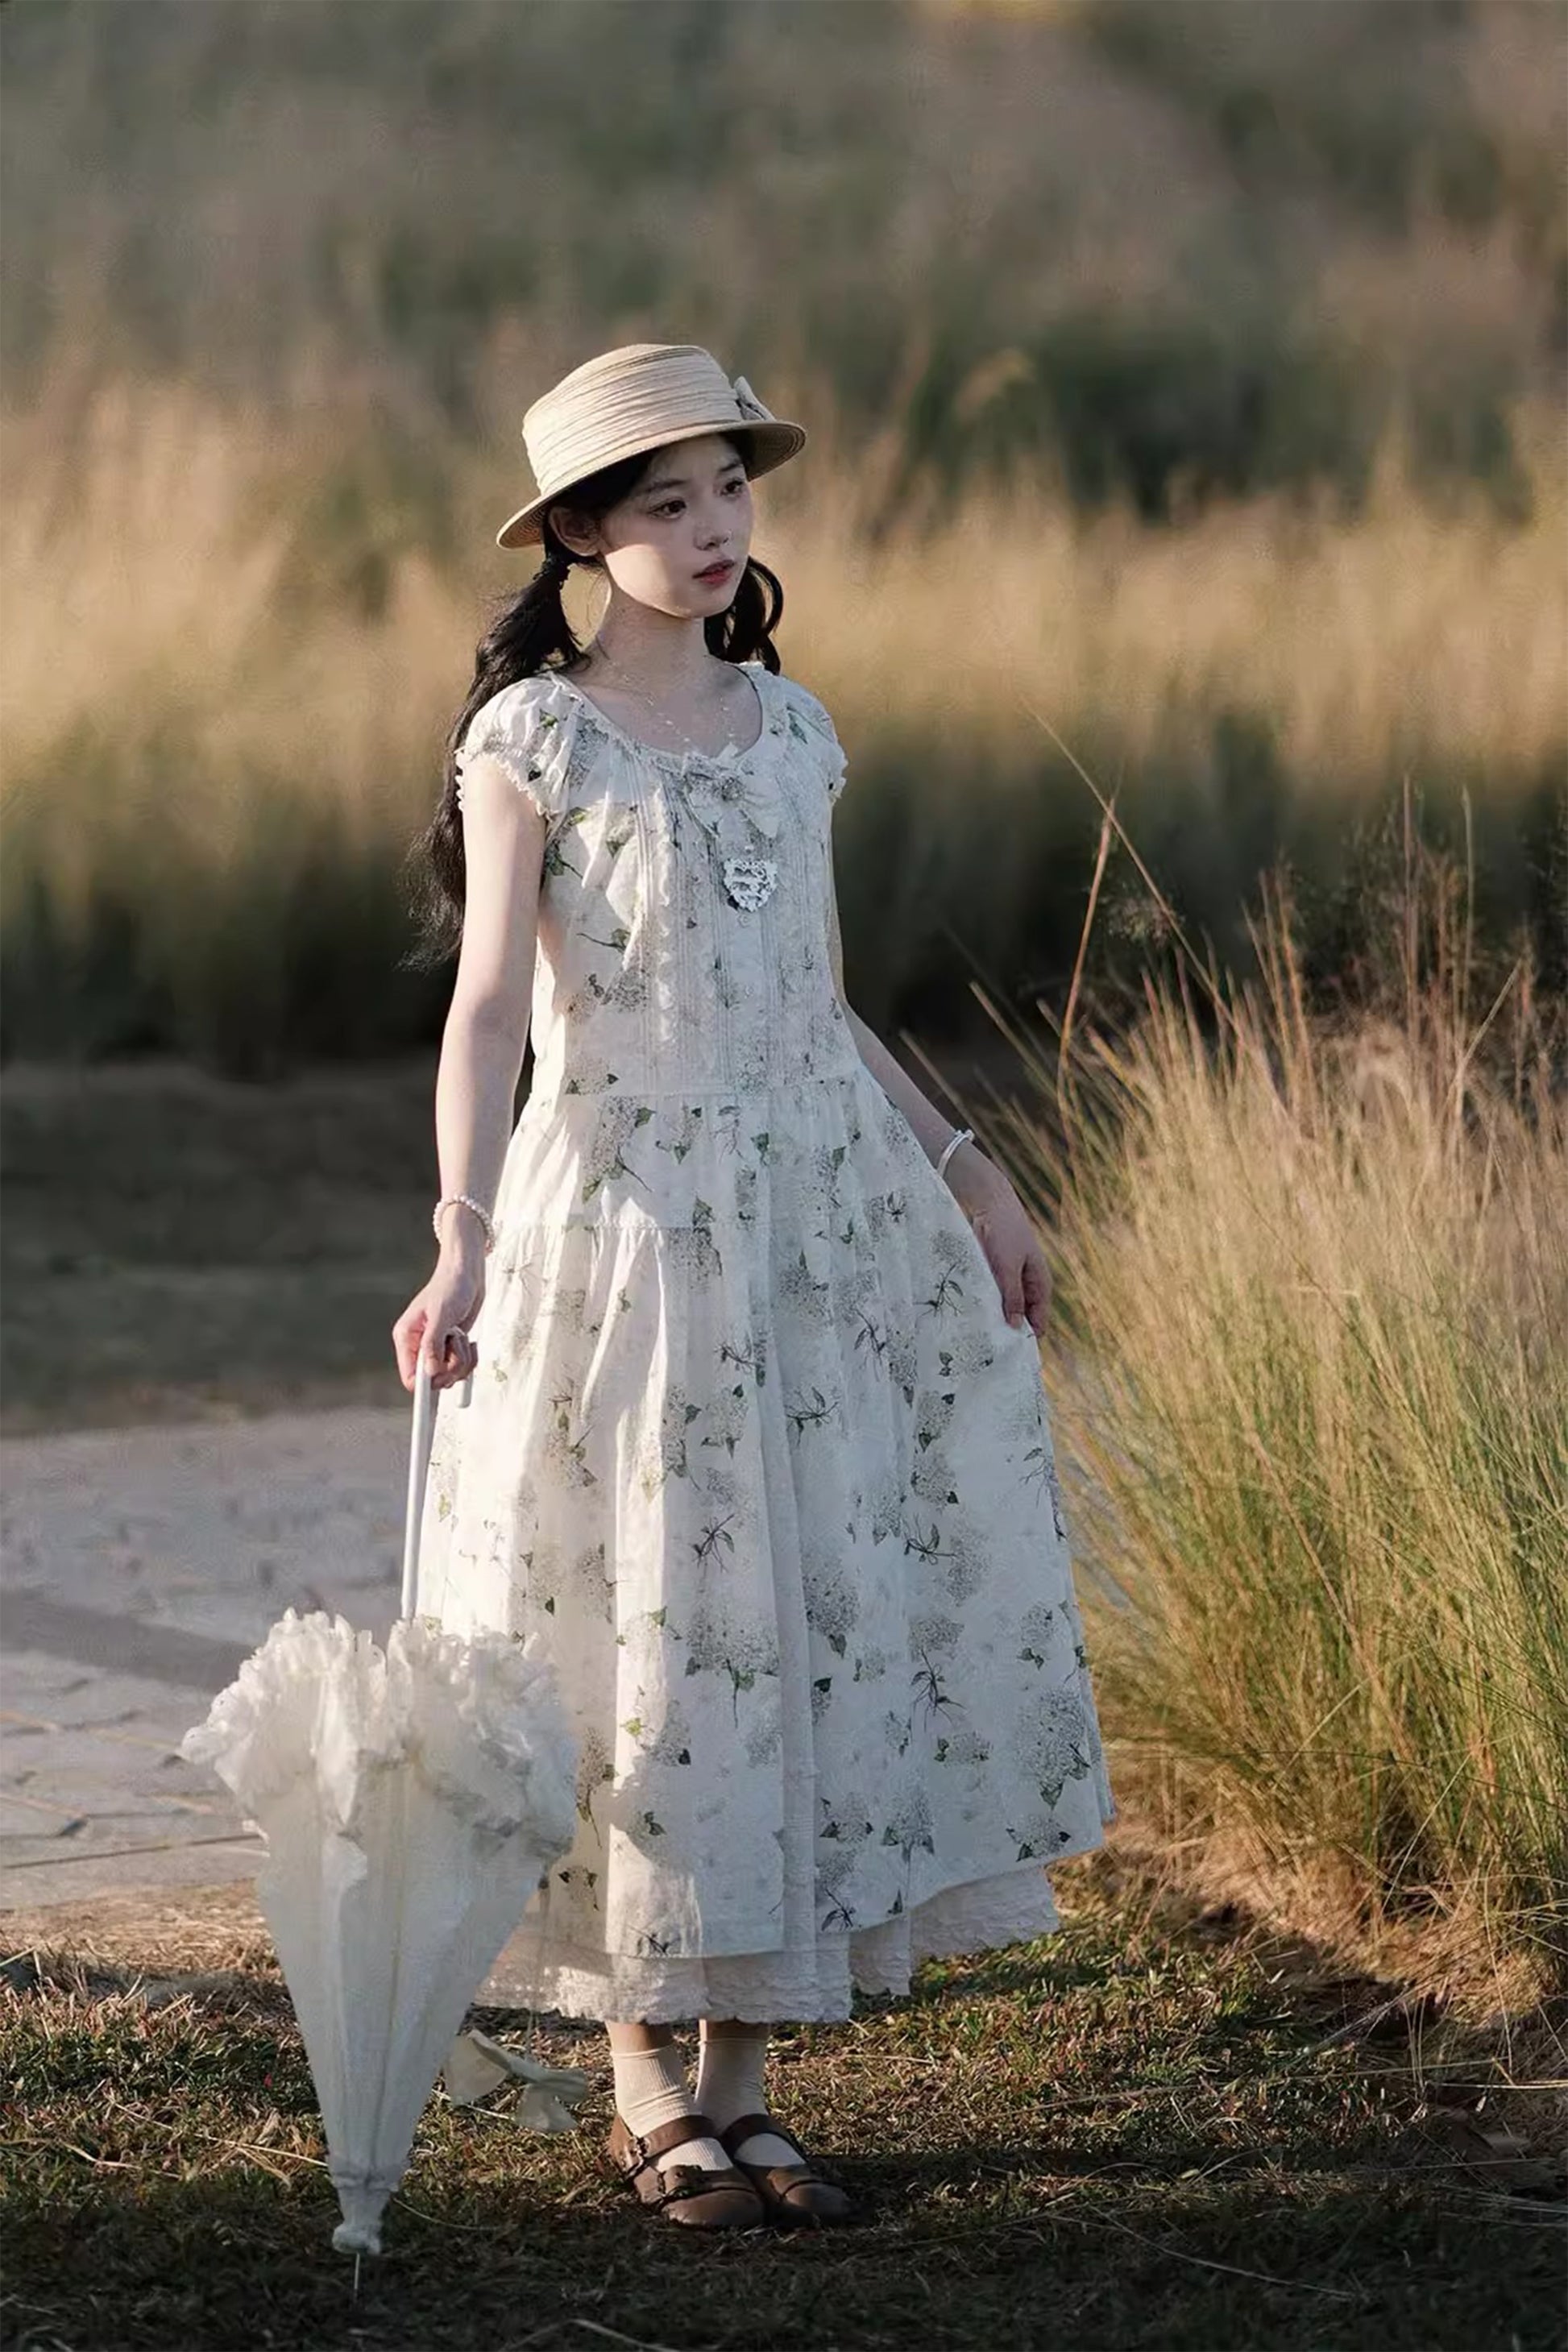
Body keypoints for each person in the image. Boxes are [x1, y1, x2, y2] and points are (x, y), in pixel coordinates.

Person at [394, 342, 1114, 2232]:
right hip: (626, 1222)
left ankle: (745, 2076)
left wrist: (968, 1169)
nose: (714, 526)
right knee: (647, 1612)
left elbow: (820, 1003)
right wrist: (462, 1225)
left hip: (813, 1223)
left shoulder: (793, 733)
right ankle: (643, 2069)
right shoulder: (535, 739)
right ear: (578, 533)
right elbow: (490, 1006)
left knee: (790, 1606)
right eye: (667, 500)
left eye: (730, 487)